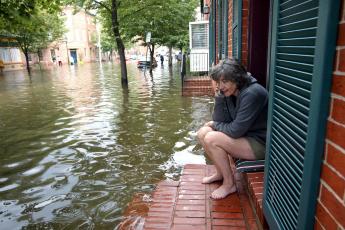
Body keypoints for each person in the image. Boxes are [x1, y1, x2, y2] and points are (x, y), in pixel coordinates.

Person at [197, 58, 268, 199]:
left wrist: (215, 125)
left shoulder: (252, 93)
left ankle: (229, 184)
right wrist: (219, 96)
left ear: (237, 78)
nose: (221, 86)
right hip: (247, 137)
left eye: (225, 82)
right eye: (218, 82)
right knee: (202, 132)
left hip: (262, 144)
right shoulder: (233, 91)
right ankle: (220, 173)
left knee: (212, 137)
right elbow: (221, 120)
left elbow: (235, 130)